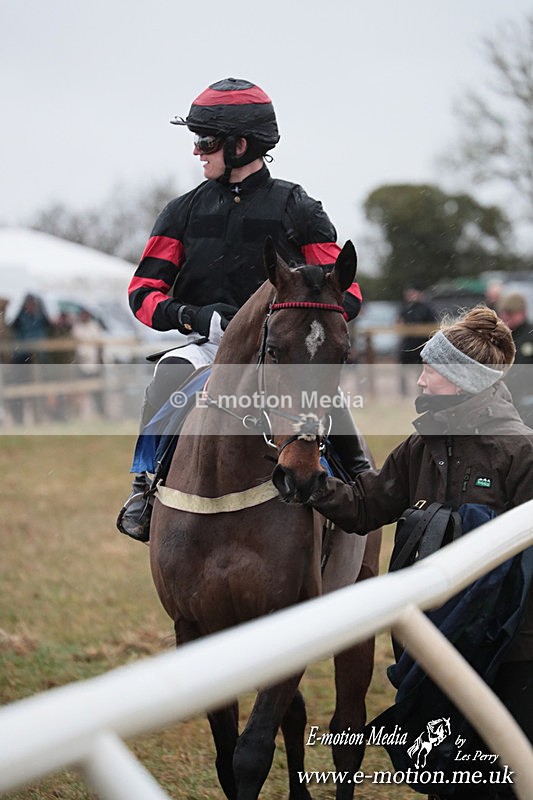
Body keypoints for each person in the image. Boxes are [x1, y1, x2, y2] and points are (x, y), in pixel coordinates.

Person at [276, 306, 533, 799]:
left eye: (431, 370)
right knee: (447, 776)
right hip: (436, 640)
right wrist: (312, 486)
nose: (420, 378)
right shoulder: (421, 445)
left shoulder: (519, 452)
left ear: (461, 380)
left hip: (512, 651)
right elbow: (365, 505)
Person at [117, 77, 368, 541]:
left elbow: (346, 293)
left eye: (205, 141)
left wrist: (303, 324)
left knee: (324, 395)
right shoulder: (180, 212)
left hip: (283, 349)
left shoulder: (298, 207)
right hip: (210, 346)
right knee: (169, 372)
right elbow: (143, 293)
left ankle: (360, 479)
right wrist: (193, 317)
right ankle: (145, 489)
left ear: (241, 145)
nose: (197, 152)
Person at [496, 292, 533, 425]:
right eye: (504, 313)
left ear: (522, 313)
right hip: (506, 394)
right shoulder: (501, 335)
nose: (505, 318)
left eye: (510, 314)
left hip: (527, 395)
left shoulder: (530, 334)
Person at [397, 283, 438, 396]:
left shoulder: (427, 309)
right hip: (407, 344)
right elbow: (399, 322)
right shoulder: (405, 308)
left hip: (422, 344)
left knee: (421, 371)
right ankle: (403, 392)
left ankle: (421, 391)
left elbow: (433, 326)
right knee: (403, 370)